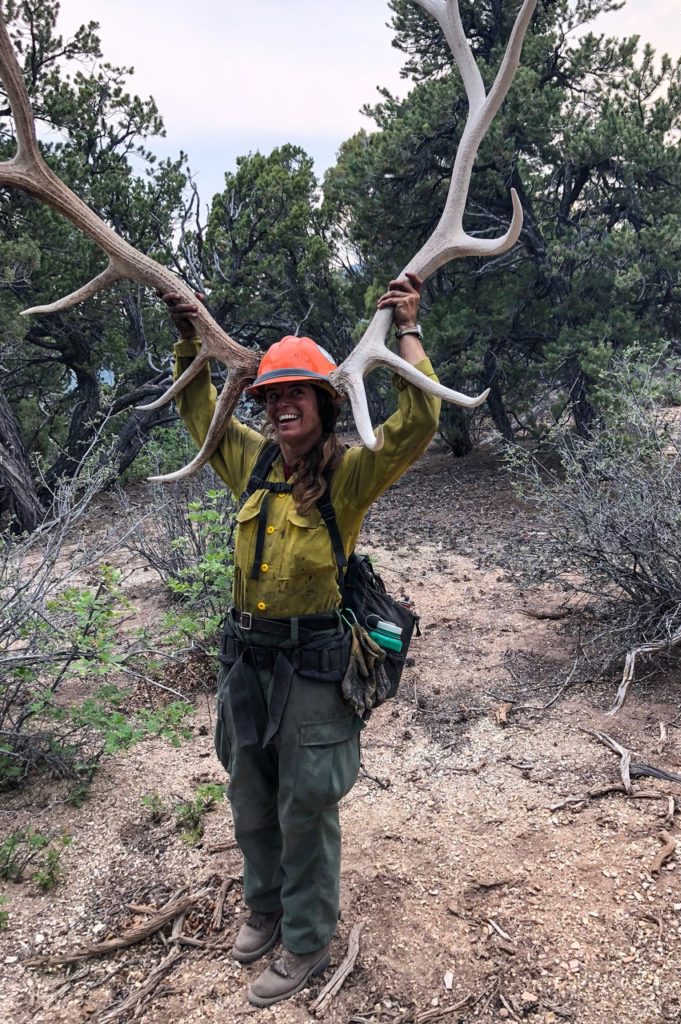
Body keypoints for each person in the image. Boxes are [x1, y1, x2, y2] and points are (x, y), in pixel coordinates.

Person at [162, 274, 440, 1008]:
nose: (283, 405)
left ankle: (309, 940)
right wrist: (187, 339)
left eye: (298, 395)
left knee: (307, 806)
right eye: (272, 396)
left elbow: (418, 423)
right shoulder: (249, 460)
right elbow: (197, 410)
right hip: (245, 663)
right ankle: (266, 908)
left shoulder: (350, 475)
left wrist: (407, 327)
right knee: (249, 793)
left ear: (324, 401)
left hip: (314, 669)